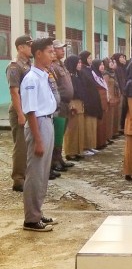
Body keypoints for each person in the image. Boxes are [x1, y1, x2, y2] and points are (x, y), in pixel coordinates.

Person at [20, 37, 58, 232]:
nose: (53, 55)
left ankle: (37, 211)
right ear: (38, 54)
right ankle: (31, 219)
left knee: (43, 173)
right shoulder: (31, 79)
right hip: (39, 124)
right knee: (35, 172)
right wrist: (38, 139)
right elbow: (31, 111)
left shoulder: (43, 75)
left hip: (47, 122)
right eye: (50, 52)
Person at [6, 35, 33, 192]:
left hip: (28, 109)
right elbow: (14, 92)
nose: (31, 48)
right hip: (20, 110)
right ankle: (18, 179)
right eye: (29, 45)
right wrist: (21, 114)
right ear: (20, 47)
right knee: (21, 145)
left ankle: (26, 174)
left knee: (28, 144)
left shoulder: (28, 65)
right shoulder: (15, 67)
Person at [50, 40, 74, 172]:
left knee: (61, 132)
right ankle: (54, 161)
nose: (62, 50)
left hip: (66, 103)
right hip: (59, 104)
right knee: (57, 133)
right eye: (59, 48)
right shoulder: (52, 67)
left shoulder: (61, 65)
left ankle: (59, 158)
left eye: (63, 48)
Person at [78, 51, 102, 156]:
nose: (90, 60)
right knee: (87, 126)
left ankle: (91, 145)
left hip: (93, 100)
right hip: (88, 101)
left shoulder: (90, 70)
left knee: (92, 125)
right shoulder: (83, 71)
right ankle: (85, 146)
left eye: (91, 58)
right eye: (88, 58)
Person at [63, 55, 86, 160]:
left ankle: (77, 150)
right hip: (72, 102)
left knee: (79, 128)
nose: (80, 65)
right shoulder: (69, 76)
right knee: (71, 129)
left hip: (80, 103)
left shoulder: (78, 75)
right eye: (78, 63)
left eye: (81, 63)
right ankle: (70, 152)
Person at [91, 59, 110, 149]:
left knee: (104, 122)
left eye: (103, 64)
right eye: (100, 65)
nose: (102, 66)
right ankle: (98, 143)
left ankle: (102, 141)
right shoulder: (93, 75)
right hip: (99, 101)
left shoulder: (100, 76)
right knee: (99, 123)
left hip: (104, 101)